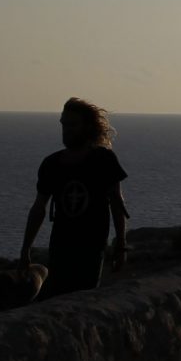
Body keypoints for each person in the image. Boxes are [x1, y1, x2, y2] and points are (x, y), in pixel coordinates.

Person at [20, 98, 129, 299]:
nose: (66, 130)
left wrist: (121, 245)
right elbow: (38, 208)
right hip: (60, 246)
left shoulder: (103, 160)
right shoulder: (52, 164)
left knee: (83, 297)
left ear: (87, 127)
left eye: (72, 125)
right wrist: (25, 249)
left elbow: (116, 203)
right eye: (64, 125)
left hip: (91, 247)